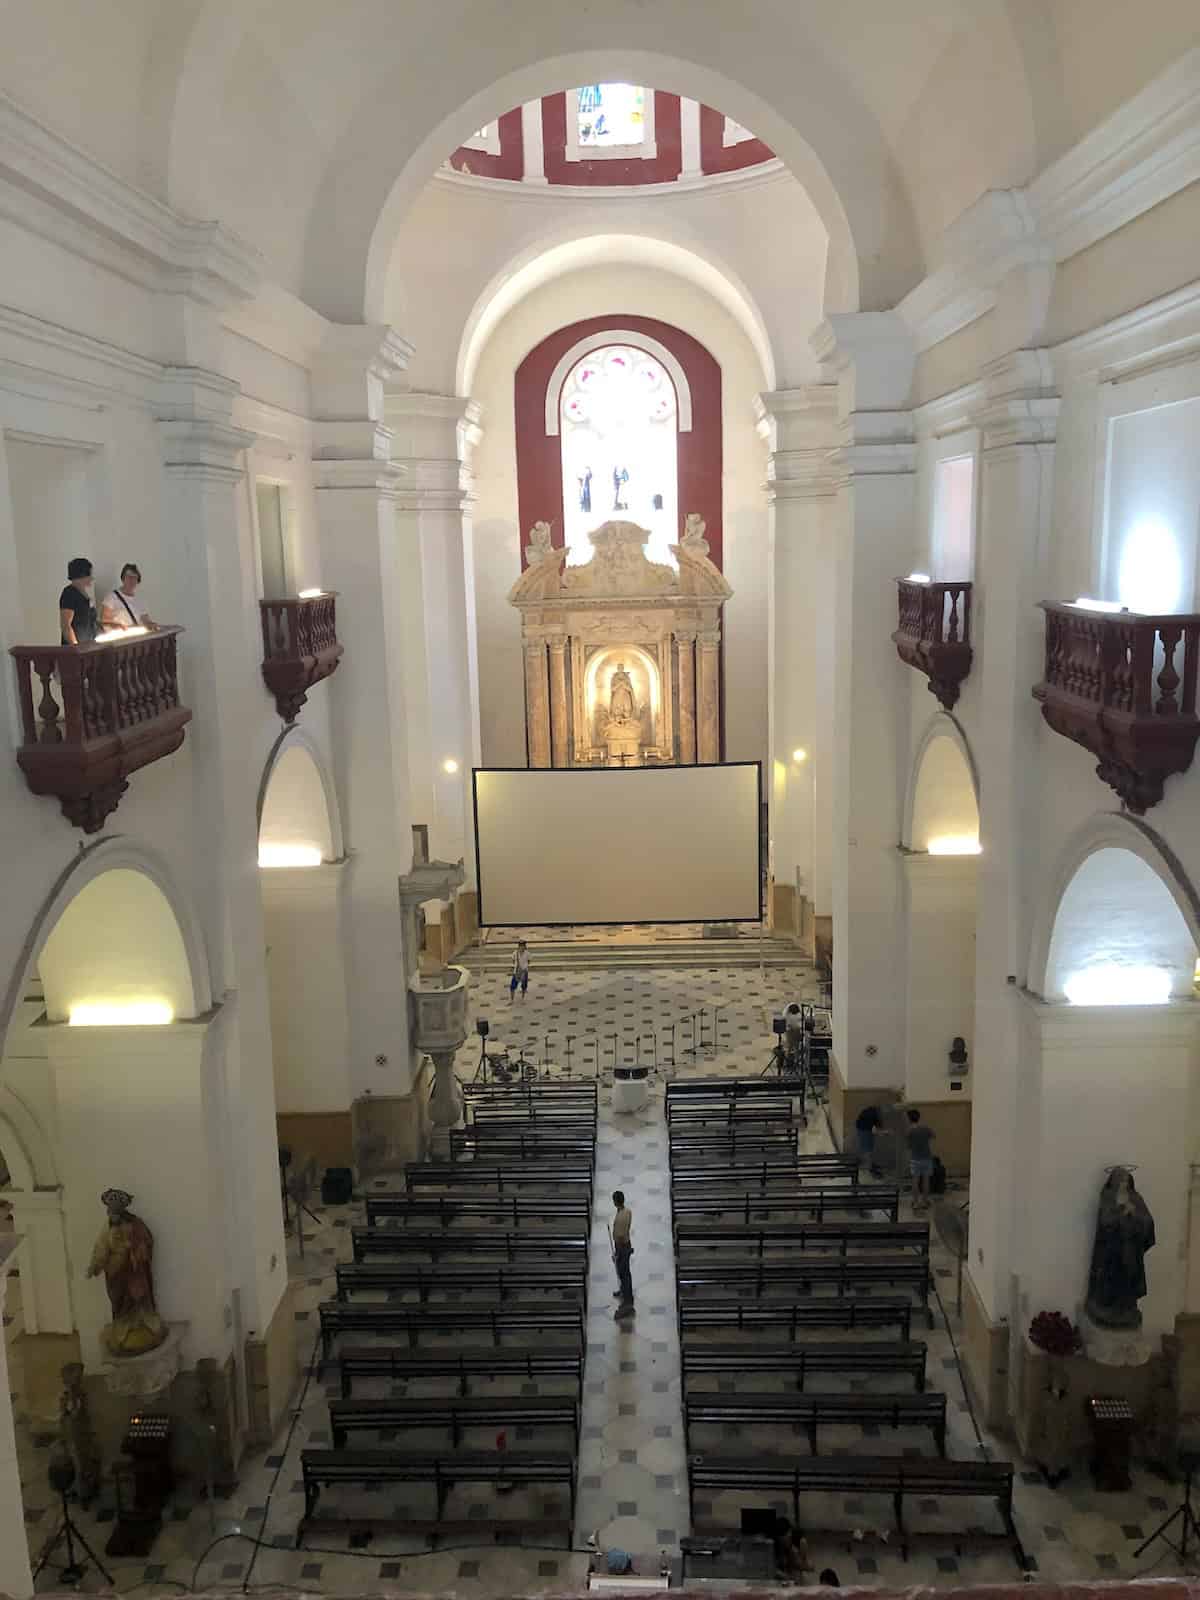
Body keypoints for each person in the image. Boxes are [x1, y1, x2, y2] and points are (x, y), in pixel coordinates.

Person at [101, 562, 156, 632]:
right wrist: (117, 626)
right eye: (129, 577)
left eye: (135, 577)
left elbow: (145, 619)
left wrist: (151, 624)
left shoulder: (140, 600)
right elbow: (104, 621)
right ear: (123, 578)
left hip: (137, 638)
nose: (132, 580)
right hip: (120, 639)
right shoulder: (111, 598)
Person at [59, 556, 98, 645]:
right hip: (76, 651)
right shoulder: (69, 593)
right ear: (82, 574)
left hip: (89, 646)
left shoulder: (85, 594)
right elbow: (65, 625)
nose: (91, 578)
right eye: (90, 574)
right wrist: (76, 646)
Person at [905, 1107, 935, 1210]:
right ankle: (925, 1202)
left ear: (909, 1119)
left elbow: (908, 1146)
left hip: (915, 1158)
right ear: (918, 1117)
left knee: (915, 1181)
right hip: (927, 1157)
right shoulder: (925, 1128)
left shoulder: (909, 1131)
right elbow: (933, 1136)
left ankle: (915, 1203)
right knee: (926, 1181)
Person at [611, 1189, 634, 1317]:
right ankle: (624, 1292)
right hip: (626, 1243)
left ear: (615, 1202)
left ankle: (627, 1302)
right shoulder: (627, 1211)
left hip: (622, 1247)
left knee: (623, 1273)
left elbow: (619, 1237)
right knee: (625, 1272)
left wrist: (617, 1254)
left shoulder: (620, 1217)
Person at [855, 1103, 884, 1176]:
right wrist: (884, 1132)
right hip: (864, 1131)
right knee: (868, 1150)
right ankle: (870, 1168)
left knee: (868, 1149)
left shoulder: (871, 1111)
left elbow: (876, 1127)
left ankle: (869, 1164)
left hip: (863, 1129)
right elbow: (876, 1130)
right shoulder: (874, 1114)